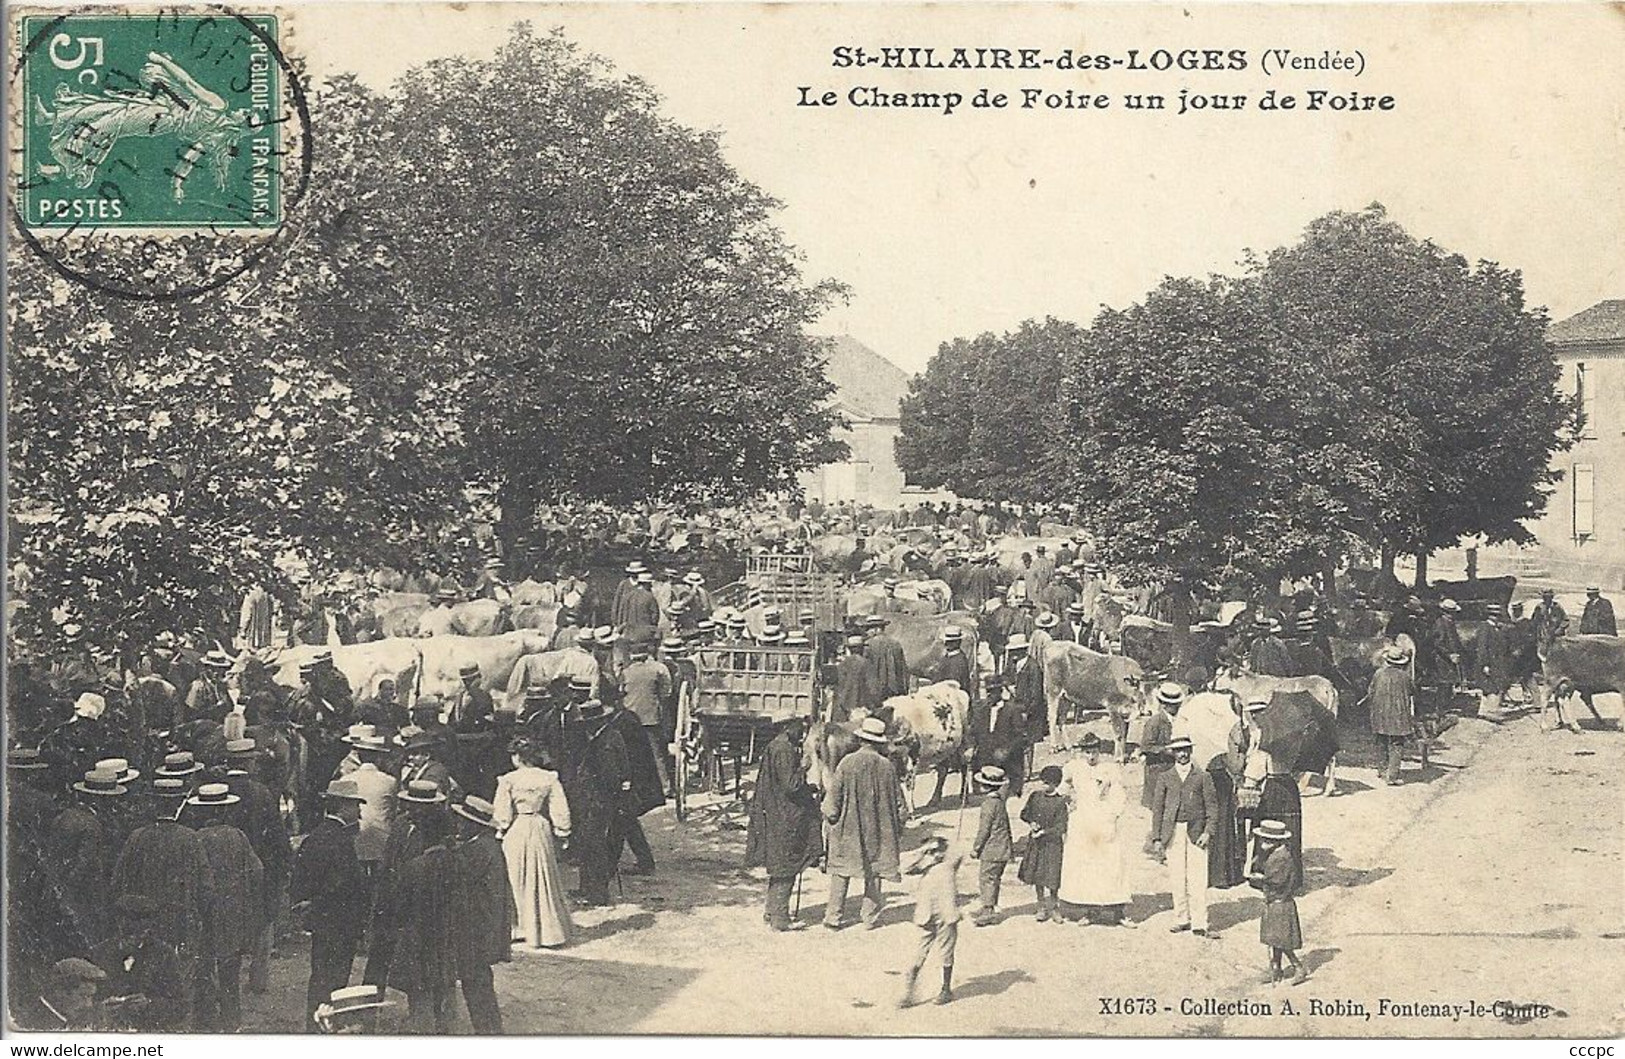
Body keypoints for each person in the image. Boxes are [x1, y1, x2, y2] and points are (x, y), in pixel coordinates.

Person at [110, 778, 215, 1029]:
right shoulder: (190, 839)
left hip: (140, 925)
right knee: (178, 985)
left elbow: (117, 883)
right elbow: (206, 889)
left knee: (139, 979)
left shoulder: (137, 837)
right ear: (180, 804)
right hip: (180, 926)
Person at [291, 779, 368, 1032]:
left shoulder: (314, 837)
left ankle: (314, 1027)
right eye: (355, 806)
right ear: (343, 807)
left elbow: (299, 881)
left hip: (322, 923)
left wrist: (310, 905)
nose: (359, 812)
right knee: (334, 982)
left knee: (320, 977)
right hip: (341, 922)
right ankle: (324, 1029)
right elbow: (344, 887)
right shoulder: (341, 841)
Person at [382, 783, 459, 1034]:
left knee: (427, 980)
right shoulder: (401, 825)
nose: (413, 811)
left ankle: (429, 1027)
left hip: (421, 925)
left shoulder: (432, 835)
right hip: (434, 924)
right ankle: (439, 1024)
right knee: (435, 977)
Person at [187, 782, 263, 1032]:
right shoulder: (237, 836)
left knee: (204, 967)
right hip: (233, 910)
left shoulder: (196, 838)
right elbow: (257, 870)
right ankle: (232, 1020)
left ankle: (206, 1019)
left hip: (205, 911)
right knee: (230, 968)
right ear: (225, 810)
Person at [822, 717, 905, 931]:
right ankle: (869, 917)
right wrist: (898, 828)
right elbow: (900, 804)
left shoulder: (846, 763)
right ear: (879, 743)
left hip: (849, 829)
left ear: (861, 740)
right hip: (879, 830)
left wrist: (831, 818)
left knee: (841, 871)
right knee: (874, 870)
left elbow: (832, 802)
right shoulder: (887, 767)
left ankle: (833, 916)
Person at [744, 717, 823, 931]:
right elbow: (791, 786)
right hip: (785, 816)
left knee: (780, 865)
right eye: (799, 727)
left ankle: (771, 911)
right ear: (787, 727)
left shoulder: (777, 746)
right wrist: (804, 768)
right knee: (787, 865)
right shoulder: (784, 750)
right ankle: (780, 918)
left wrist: (808, 788)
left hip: (777, 811)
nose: (802, 731)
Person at [493, 740, 575, 948]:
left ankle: (520, 927)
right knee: (542, 874)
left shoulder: (509, 780)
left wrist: (501, 828)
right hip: (539, 826)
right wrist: (562, 831)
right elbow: (560, 808)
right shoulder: (548, 778)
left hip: (518, 828)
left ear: (517, 757)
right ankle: (546, 930)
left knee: (516, 876)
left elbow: (502, 812)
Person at [449, 796, 513, 1033]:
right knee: (477, 981)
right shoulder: (487, 845)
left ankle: (489, 1032)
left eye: (462, 821)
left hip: (477, 928)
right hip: (483, 926)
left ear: (474, 825)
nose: (458, 825)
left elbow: (459, 877)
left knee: (476, 983)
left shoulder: (478, 850)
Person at [1057, 734, 1132, 925]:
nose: (1091, 756)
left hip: (1104, 820)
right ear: (1082, 752)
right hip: (1083, 821)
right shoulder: (1074, 767)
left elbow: (1119, 794)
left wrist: (1113, 814)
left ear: (1099, 751)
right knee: (1087, 864)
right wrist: (1067, 802)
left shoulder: (1109, 769)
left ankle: (1117, 911)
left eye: (1094, 752)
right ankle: (1089, 910)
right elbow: (1062, 789)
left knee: (1111, 863)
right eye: (1087, 752)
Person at [1150, 737, 1218, 938]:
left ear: (1191, 751)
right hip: (1173, 832)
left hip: (1197, 832)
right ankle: (1181, 919)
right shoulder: (1165, 777)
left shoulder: (1203, 776)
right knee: (1177, 877)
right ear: (1173, 753)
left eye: (1186, 749)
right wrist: (1157, 838)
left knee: (1198, 878)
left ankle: (1199, 923)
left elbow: (1212, 807)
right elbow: (1158, 809)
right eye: (1178, 750)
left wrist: (1208, 831)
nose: (1182, 754)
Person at [898, 836, 964, 1008]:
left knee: (946, 953)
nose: (935, 854)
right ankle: (909, 993)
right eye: (932, 851)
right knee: (919, 953)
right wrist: (922, 852)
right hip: (927, 916)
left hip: (946, 916)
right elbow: (904, 868)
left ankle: (946, 989)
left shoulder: (949, 864)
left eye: (937, 851)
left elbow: (959, 853)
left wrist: (944, 847)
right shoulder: (925, 864)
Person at [1250, 819, 1306, 985]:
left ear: (1276, 841)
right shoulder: (1276, 854)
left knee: (1282, 941)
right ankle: (1276, 969)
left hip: (1280, 903)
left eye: (1266, 840)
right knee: (1274, 939)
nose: (1263, 843)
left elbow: (1277, 880)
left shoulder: (1281, 858)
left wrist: (1261, 879)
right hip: (1275, 901)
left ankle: (1298, 967)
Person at [621, 648, 674, 795]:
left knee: (632, 753)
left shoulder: (625, 672)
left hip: (631, 718)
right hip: (651, 717)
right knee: (657, 753)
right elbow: (666, 693)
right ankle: (665, 787)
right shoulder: (657, 670)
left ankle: (638, 788)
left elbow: (620, 692)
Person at [1019, 765, 1067, 922]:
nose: (1043, 785)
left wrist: (1044, 832)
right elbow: (1024, 813)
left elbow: (1061, 827)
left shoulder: (1060, 802)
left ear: (1055, 784)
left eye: (1047, 783)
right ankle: (1041, 906)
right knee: (1038, 875)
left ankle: (1054, 908)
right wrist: (1031, 822)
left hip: (1052, 846)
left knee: (1053, 878)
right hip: (1036, 844)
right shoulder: (1035, 796)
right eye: (1042, 782)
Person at [1139, 682, 1183, 845]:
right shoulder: (1155, 722)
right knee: (1158, 808)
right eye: (1172, 705)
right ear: (1164, 704)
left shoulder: (1180, 720)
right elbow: (1146, 746)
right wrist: (1167, 750)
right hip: (1157, 770)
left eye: (1177, 704)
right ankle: (1157, 841)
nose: (1176, 707)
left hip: (1172, 770)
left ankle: (1167, 842)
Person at [968, 765, 1012, 925]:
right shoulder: (1000, 801)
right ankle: (989, 906)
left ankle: (988, 911)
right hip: (1003, 847)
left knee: (987, 878)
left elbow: (984, 830)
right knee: (994, 878)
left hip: (992, 848)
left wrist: (976, 848)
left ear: (985, 786)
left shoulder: (987, 805)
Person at [1366, 646, 1417, 783]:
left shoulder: (1378, 674)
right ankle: (1392, 775)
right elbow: (1413, 691)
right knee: (1396, 743)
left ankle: (1382, 770)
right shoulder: (1405, 676)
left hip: (1380, 713)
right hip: (1398, 715)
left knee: (1381, 740)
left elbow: (1370, 691)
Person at [833, 635, 882, 723]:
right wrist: (877, 704)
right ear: (861, 649)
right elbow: (873, 688)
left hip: (842, 709)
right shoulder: (866, 664)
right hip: (860, 709)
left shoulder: (841, 665)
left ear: (850, 649)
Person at [864, 616, 911, 700]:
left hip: (877, 691)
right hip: (896, 690)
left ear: (876, 629)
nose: (867, 632)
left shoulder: (868, 645)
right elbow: (903, 669)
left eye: (868, 629)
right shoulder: (896, 644)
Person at [451, 664, 496, 733]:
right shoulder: (460, 696)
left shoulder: (483, 696)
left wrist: (474, 690)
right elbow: (452, 720)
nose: (467, 683)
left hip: (475, 735)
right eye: (464, 680)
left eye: (469, 680)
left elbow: (486, 721)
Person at [1530, 589, 1569, 656]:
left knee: (1556, 653)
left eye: (1548, 597)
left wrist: (1560, 628)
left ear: (1552, 597)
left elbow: (1566, 619)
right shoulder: (1539, 607)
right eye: (1545, 597)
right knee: (1542, 654)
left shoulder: (1557, 607)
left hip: (1555, 635)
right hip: (1543, 635)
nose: (1546, 600)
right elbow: (1534, 621)